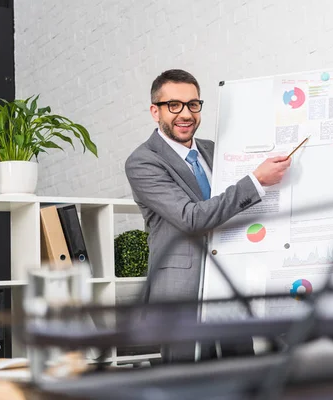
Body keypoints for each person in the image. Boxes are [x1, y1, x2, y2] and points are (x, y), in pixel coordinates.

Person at [125, 69, 291, 363]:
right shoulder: (143, 161)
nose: (185, 114)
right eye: (173, 105)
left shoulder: (214, 151)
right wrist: (255, 181)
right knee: (185, 378)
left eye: (193, 104)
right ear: (155, 111)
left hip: (228, 282)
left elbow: (234, 207)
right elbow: (191, 217)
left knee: (239, 368)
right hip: (180, 290)